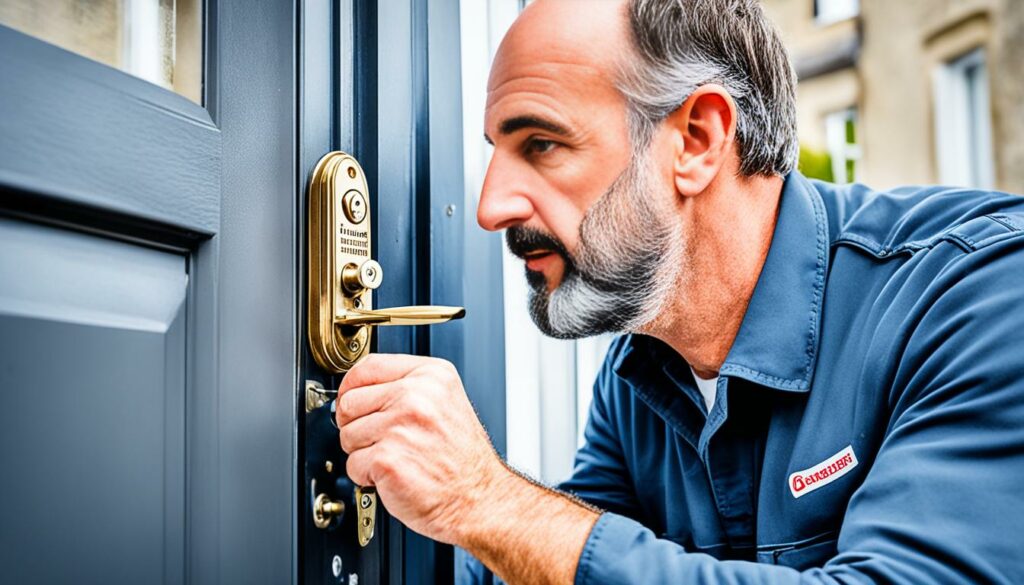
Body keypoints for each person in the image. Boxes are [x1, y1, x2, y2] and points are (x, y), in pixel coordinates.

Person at [333, 0, 1024, 582]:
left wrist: (482, 496)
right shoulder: (643, 362)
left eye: (541, 143)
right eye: (496, 152)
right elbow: (556, 554)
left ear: (696, 139)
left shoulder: (980, 294)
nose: (490, 207)